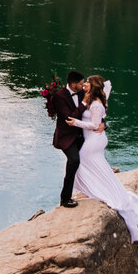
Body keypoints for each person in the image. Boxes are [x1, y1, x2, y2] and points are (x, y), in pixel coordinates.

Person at [68, 75, 138, 243]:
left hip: (94, 140)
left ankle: (88, 191)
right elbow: (107, 84)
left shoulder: (97, 104)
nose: (85, 85)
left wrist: (75, 123)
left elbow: (94, 125)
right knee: (97, 167)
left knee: (80, 163)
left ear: (93, 87)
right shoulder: (95, 98)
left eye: (88, 83)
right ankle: (88, 190)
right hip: (95, 139)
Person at [47, 70, 85, 208]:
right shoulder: (59, 96)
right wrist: (84, 104)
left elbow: (94, 109)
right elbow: (70, 118)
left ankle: (89, 189)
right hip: (66, 137)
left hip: (82, 134)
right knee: (74, 161)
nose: (83, 85)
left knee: (89, 159)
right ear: (73, 85)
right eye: (81, 83)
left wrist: (102, 122)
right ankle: (65, 198)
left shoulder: (82, 92)